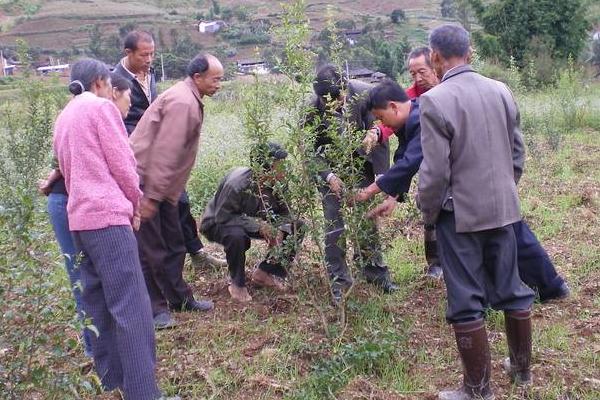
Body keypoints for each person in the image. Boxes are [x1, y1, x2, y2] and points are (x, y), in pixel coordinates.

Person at [363, 47, 569, 301]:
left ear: (437, 64)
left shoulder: (463, 92)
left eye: (422, 71)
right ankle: (508, 292)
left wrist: (377, 190)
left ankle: (536, 289)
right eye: (412, 73)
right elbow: (410, 154)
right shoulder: (416, 101)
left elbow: (419, 159)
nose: (417, 78)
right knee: (496, 236)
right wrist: (395, 193)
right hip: (460, 186)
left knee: (509, 235)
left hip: (478, 179)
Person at [418, 25, 535, 399]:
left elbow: (435, 172)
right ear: (469, 52)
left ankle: (477, 390)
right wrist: (503, 188)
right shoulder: (501, 90)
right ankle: (521, 372)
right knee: (513, 288)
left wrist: (428, 212)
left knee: (466, 299)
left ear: (435, 57)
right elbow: (517, 153)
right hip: (504, 209)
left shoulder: (435, 101)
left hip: (461, 215)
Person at [52, 58, 166, 399]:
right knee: (131, 306)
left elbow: (68, 171)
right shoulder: (101, 109)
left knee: (98, 303)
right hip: (108, 218)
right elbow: (123, 164)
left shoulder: (64, 116)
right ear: (102, 82)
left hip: (80, 220)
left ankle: (113, 383)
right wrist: (135, 203)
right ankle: (144, 393)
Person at [38, 70, 137, 359]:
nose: (128, 107)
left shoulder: (77, 114)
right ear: (110, 90)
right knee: (86, 282)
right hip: (75, 205)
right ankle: (98, 351)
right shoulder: (97, 111)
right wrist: (134, 204)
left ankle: (106, 353)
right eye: (127, 100)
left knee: (95, 281)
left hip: (79, 205)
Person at [114, 30, 224, 269]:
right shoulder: (117, 80)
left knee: (178, 202)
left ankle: (193, 253)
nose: (149, 59)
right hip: (142, 154)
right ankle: (157, 272)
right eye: (144, 54)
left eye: (152, 54)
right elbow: (119, 121)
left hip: (161, 142)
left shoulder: (149, 75)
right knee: (155, 212)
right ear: (128, 53)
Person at [130, 53, 224, 329]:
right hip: (147, 183)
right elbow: (165, 155)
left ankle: (179, 298)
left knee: (174, 243)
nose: (219, 84)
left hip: (162, 187)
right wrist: (152, 198)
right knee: (151, 249)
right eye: (215, 79)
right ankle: (155, 308)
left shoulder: (189, 98)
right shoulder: (184, 102)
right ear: (198, 77)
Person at [304, 64, 398, 304]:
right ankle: (339, 281)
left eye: (338, 100)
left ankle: (374, 272)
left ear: (346, 88)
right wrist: (329, 177)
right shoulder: (310, 108)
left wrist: (380, 178)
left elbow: (381, 136)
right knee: (334, 222)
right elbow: (309, 152)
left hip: (361, 162)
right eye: (328, 103)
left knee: (366, 215)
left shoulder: (366, 95)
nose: (334, 106)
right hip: (329, 168)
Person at [200, 142, 305, 302]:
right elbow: (223, 216)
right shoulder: (237, 184)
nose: (284, 169)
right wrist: (259, 226)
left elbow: (285, 213)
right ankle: (237, 284)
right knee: (237, 236)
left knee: (296, 227)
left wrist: (279, 230)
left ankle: (265, 273)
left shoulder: (279, 183)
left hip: (247, 222)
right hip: (218, 222)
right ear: (264, 169)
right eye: (280, 165)